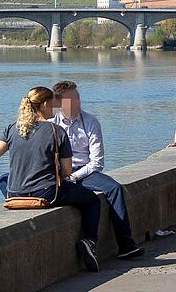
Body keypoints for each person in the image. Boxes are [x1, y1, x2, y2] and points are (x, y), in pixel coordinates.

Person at [0, 87, 101, 272]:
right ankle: (90, 241)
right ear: (46, 105)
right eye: (54, 104)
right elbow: (67, 170)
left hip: (15, 192)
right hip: (46, 193)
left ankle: (20, 197)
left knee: (4, 179)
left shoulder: (12, 128)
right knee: (93, 200)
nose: (57, 108)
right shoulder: (56, 131)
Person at [50, 81, 144, 260]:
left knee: (114, 188)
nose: (77, 102)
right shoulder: (51, 124)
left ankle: (126, 244)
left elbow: (97, 162)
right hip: (60, 172)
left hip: (85, 172)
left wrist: (75, 176)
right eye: (72, 99)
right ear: (60, 102)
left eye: (78, 97)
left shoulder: (91, 122)